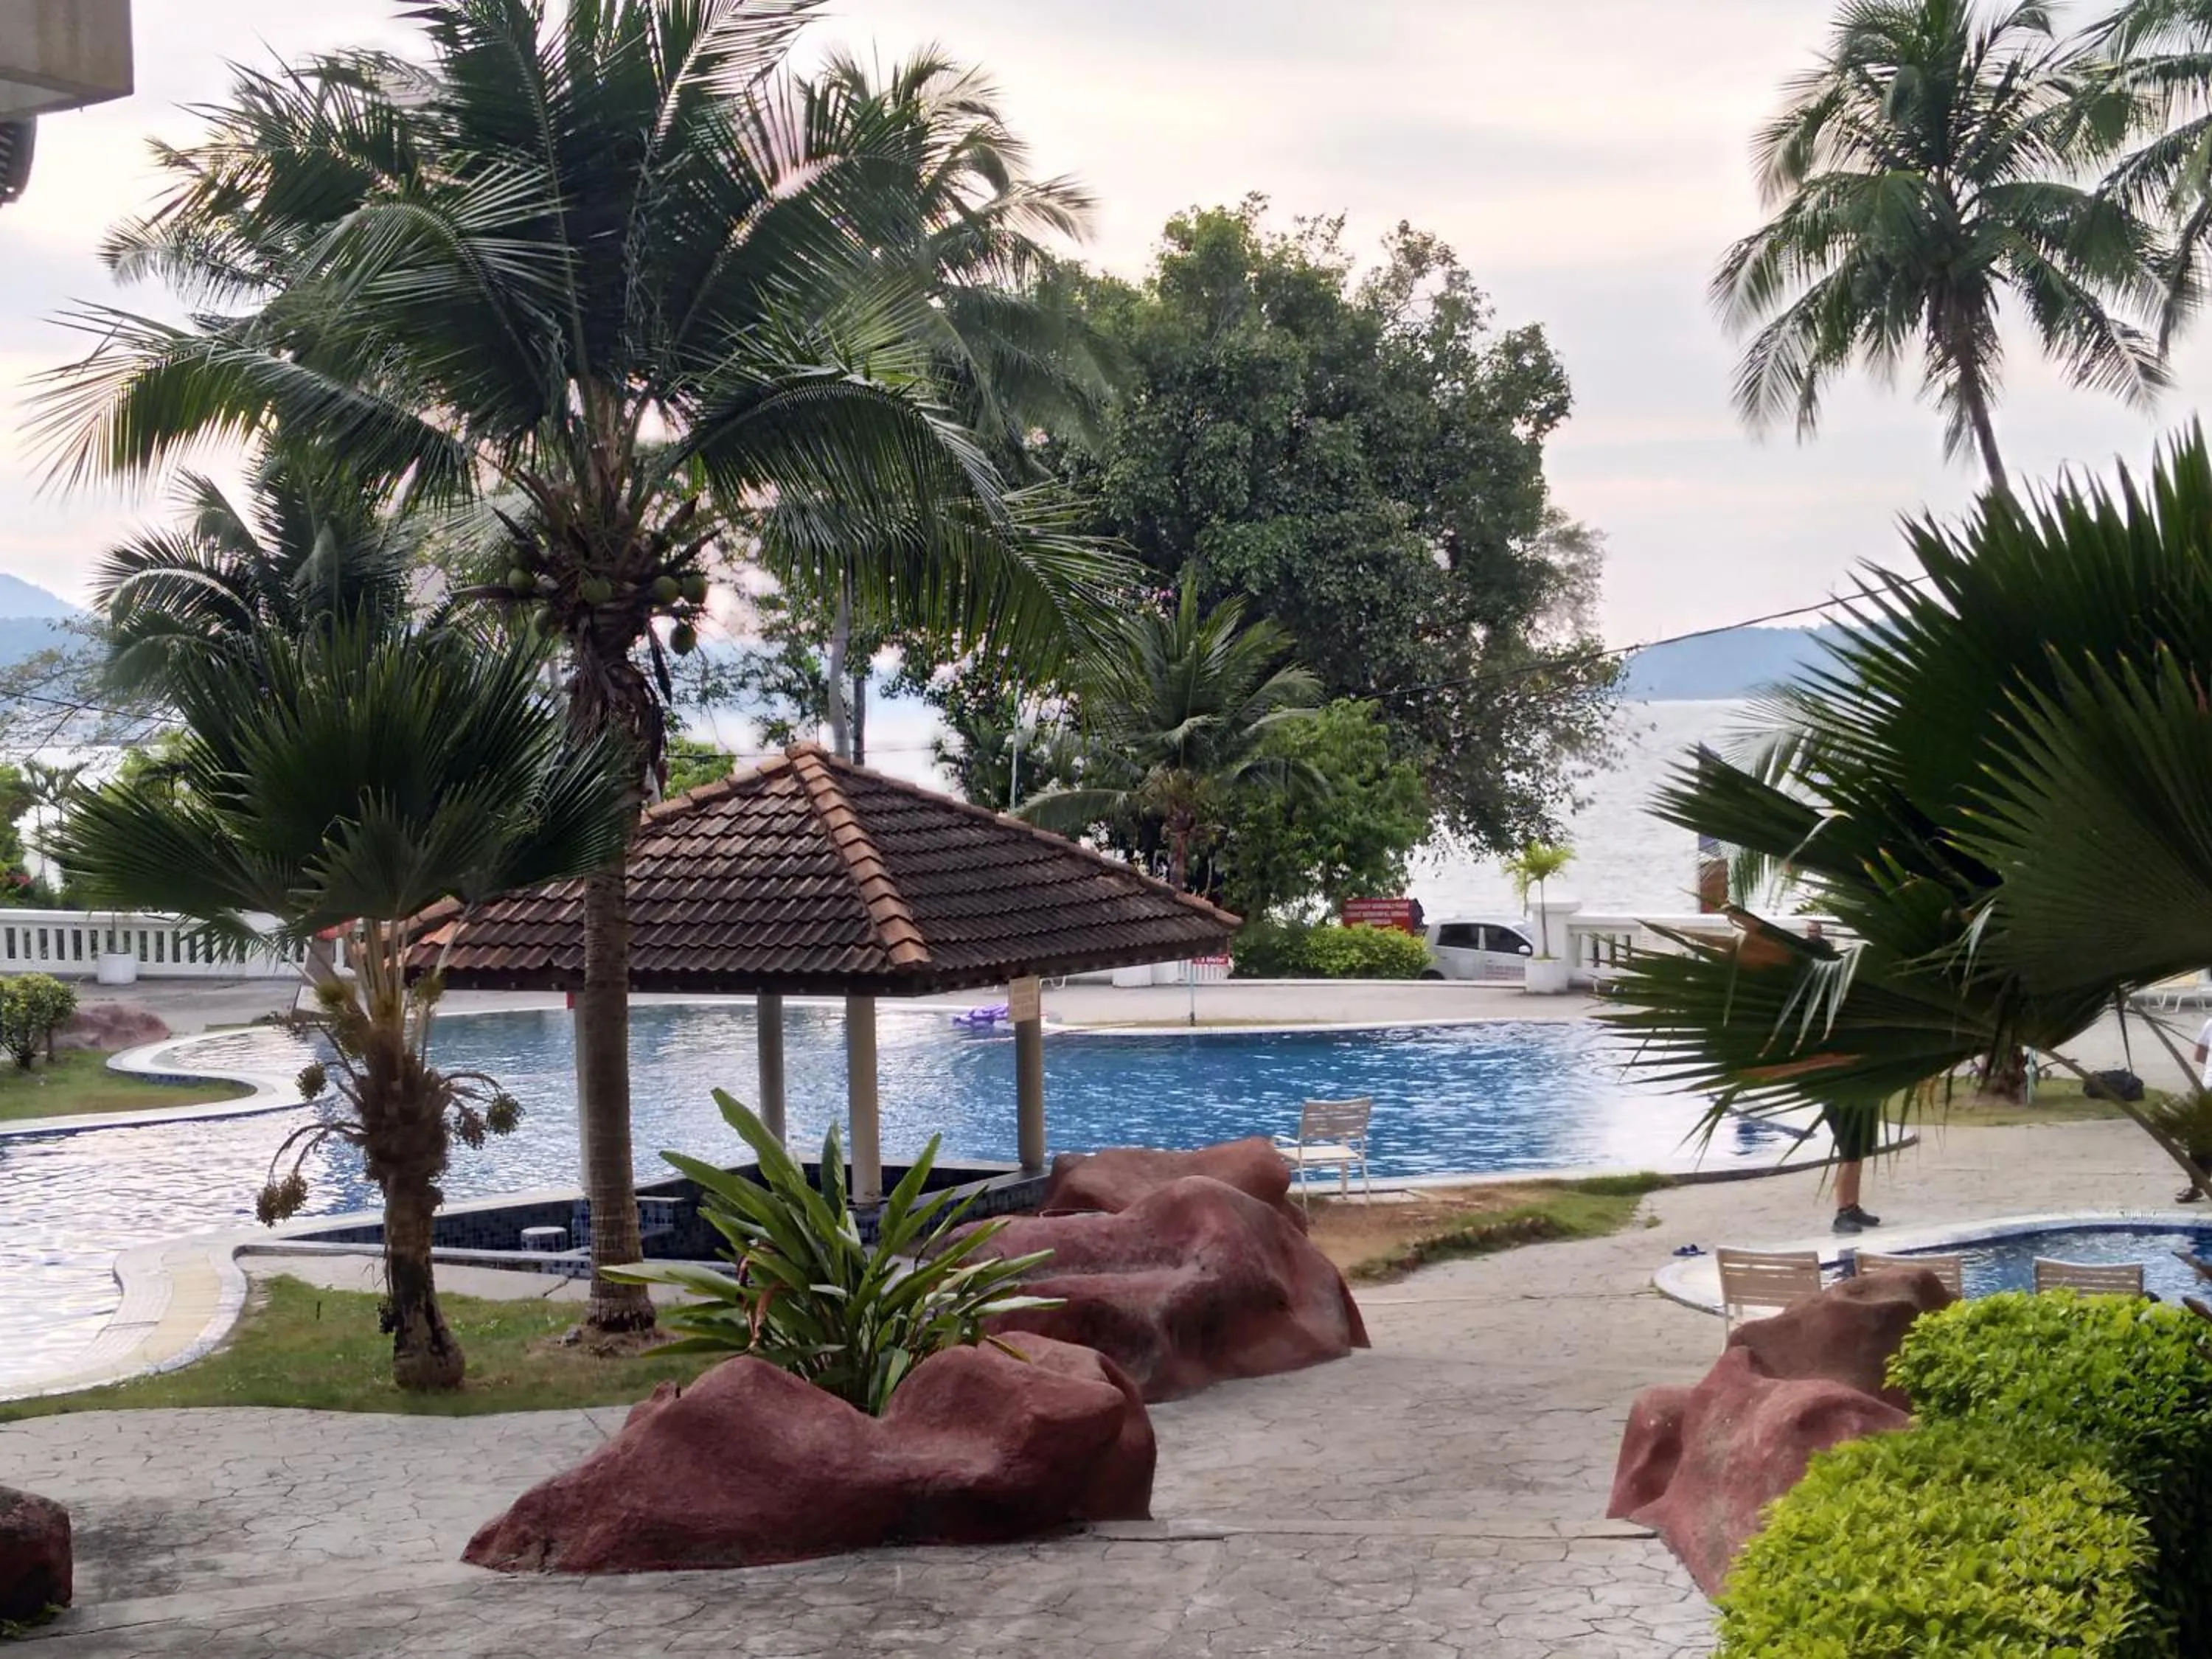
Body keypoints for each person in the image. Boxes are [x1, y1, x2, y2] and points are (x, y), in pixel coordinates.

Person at [1825, 1104, 1881, 1234]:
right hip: (1839, 1103)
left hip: (1862, 1102)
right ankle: (1842, 1212)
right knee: (1849, 1155)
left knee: (1857, 1154)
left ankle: (1852, 1207)